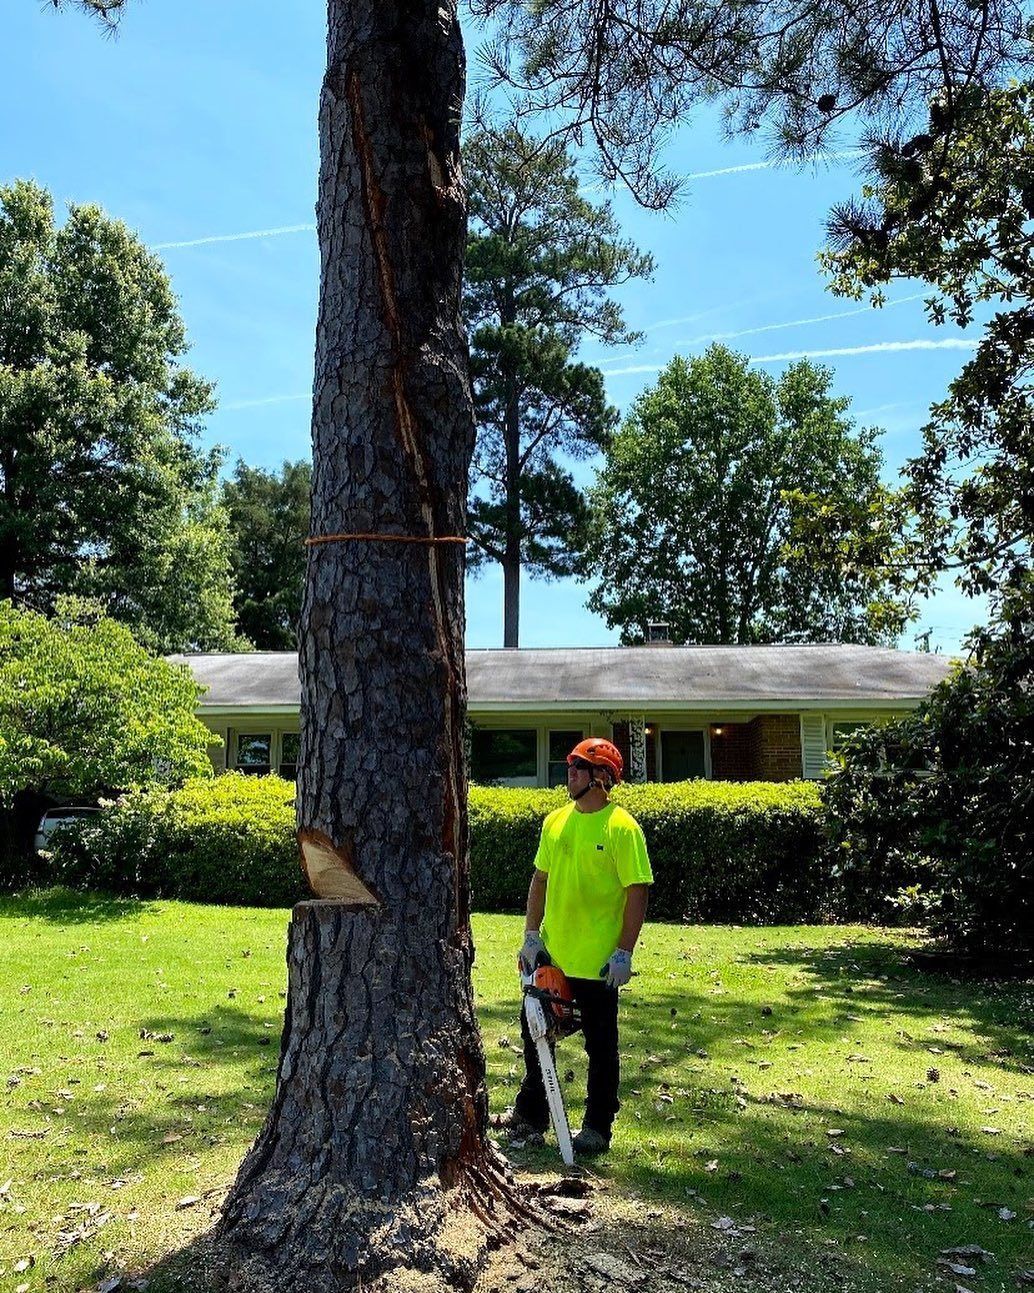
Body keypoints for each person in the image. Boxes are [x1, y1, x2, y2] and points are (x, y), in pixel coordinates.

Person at [497, 737, 653, 1156]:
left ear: (601, 777)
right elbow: (540, 880)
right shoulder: (555, 822)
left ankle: (597, 1126)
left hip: (599, 963)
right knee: (534, 1034)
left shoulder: (622, 828)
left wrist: (624, 952)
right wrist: (531, 936)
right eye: (570, 766)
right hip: (554, 955)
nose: (569, 773)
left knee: (601, 1048)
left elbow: (637, 892)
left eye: (578, 767)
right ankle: (531, 1114)